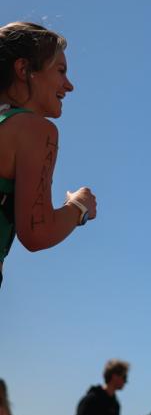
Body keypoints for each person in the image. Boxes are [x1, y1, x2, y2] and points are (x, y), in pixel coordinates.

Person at [0, 22, 97, 291]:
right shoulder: (35, 130)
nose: (69, 86)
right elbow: (37, 232)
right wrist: (79, 207)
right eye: (61, 71)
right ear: (24, 69)